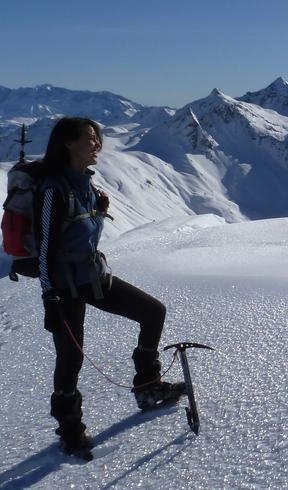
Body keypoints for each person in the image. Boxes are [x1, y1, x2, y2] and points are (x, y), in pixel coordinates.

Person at [34, 117, 185, 456]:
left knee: (153, 312)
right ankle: (70, 430)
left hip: (94, 279)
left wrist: (98, 213)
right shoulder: (52, 190)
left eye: (97, 138)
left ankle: (148, 387)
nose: (97, 145)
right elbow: (44, 248)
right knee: (70, 358)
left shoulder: (84, 184)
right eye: (90, 139)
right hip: (66, 289)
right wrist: (50, 297)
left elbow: (77, 232)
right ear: (68, 144)